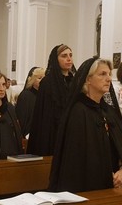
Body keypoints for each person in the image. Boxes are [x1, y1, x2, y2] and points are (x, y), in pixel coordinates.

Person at [49, 57, 122, 193]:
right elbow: (75, 160)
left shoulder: (108, 111)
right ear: (88, 79)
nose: (109, 79)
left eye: (109, 74)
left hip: (115, 187)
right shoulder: (78, 112)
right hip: (88, 188)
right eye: (102, 74)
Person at [27, 44, 75, 156]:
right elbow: (44, 115)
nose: (69, 59)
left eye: (70, 55)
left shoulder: (74, 81)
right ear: (55, 59)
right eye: (64, 56)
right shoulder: (47, 83)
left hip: (72, 132)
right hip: (53, 134)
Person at [15, 67, 45, 138]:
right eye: (39, 78)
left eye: (44, 78)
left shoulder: (44, 96)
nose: (43, 80)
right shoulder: (26, 96)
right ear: (32, 80)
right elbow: (22, 120)